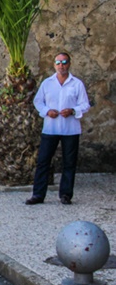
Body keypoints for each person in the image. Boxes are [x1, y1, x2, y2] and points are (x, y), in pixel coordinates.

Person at [26, 52, 90, 205]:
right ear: (54, 64)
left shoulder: (77, 84)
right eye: (58, 62)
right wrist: (47, 111)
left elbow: (85, 104)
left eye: (64, 62)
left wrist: (73, 111)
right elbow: (38, 101)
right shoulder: (47, 83)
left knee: (69, 163)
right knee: (43, 162)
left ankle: (66, 195)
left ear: (69, 64)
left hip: (70, 129)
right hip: (51, 128)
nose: (61, 65)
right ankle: (38, 195)